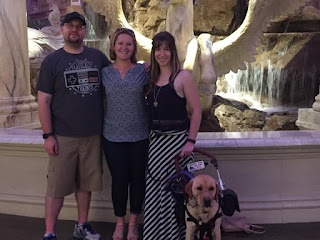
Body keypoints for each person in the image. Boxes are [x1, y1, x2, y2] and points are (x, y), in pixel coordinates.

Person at [36, 12, 110, 240]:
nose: (75, 30)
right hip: (63, 136)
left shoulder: (98, 57)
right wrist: (48, 135)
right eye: (70, 26)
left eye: (79, 26)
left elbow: (118, 75)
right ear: (62, 29)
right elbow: (43, 100)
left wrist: (142, 69)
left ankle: (82, 225)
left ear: (84, 31)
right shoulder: (52, 61)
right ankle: (49, 233)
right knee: (56, 187)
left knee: (85, 184)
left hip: (92, 135)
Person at [143, 31, 202, 240]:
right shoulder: (150, 77)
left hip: (178, 146)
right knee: (155, 191)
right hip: (156, 145)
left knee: (175, 194)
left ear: (173, 51)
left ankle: (175, 236)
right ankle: (154, 235)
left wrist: (191, 142)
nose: (162, 53)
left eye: (166, 48)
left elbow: (196, 111)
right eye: (158, 49)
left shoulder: (182, 76)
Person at [100, 28, 149, 240]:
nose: (124, 47)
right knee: (119, 180)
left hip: (140, 135)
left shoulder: (143, 71)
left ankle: (133, 223)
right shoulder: (104, 72)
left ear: (134, 48)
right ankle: (119, 222)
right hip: (112, 135)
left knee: (137, 180)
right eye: (120, 43)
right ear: (113, 46)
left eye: (129, 44)